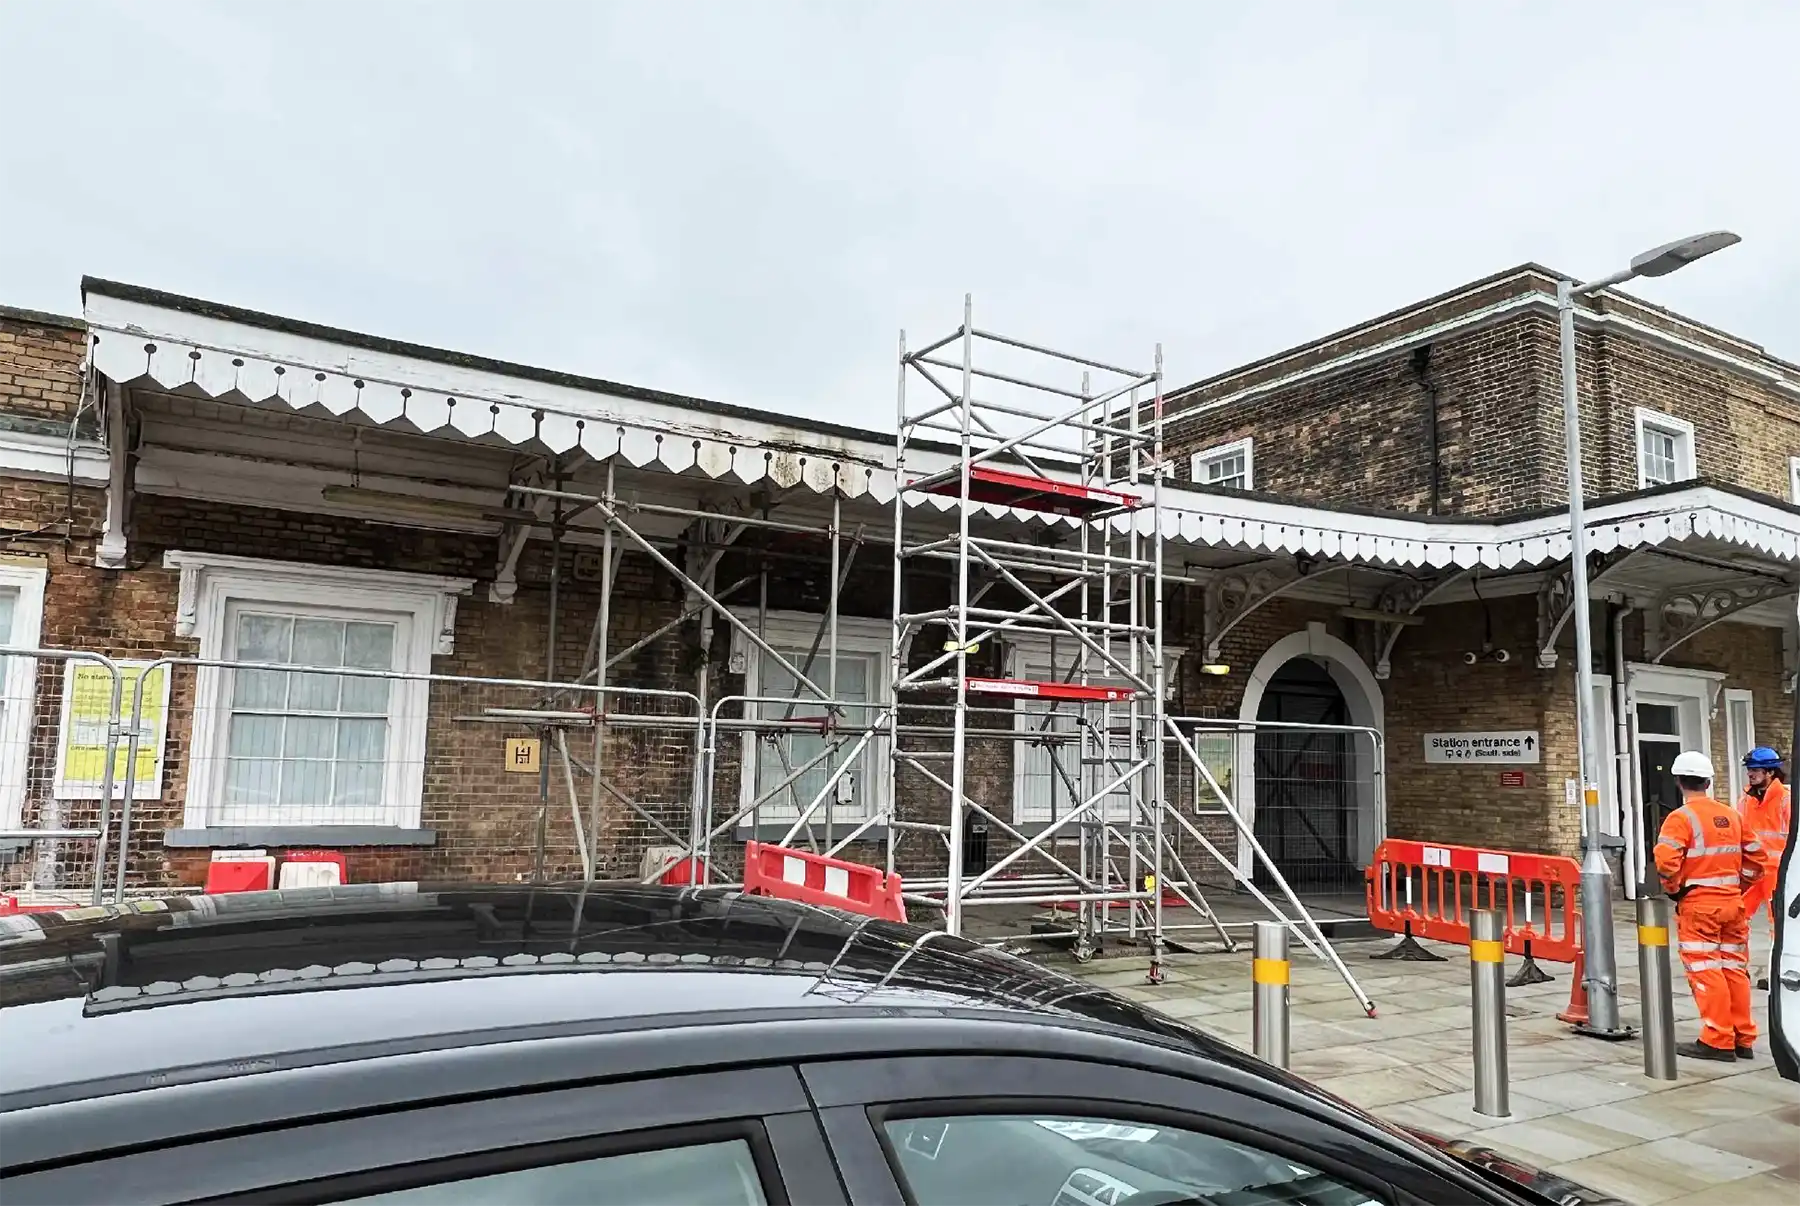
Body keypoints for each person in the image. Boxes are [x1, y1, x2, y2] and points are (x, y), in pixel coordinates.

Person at [1653, 751, 1769, 1061]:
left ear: (1678, 782)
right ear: (1708, 781)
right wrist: (1739, 886)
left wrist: (1675, 889)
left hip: (1700, 905)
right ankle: (1743, 1038)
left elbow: (1665, 862)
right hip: (1733, 904)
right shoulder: (1732, 814)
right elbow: (1757, 859)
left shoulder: (1680, 818)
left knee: (1706, 971)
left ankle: (1717, 1039)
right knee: (1734, 969)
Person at [1737, 746, 1791, 990]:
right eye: (1749, 769)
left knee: (1778, 925)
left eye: (1755, 769)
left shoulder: (1787, 800)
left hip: (1779, 873)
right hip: (1752, 871)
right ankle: (1738, 972)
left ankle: (1778, 973)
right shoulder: (1745, 800)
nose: (1750, 774)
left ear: (1771, 772)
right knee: (1737, 918)